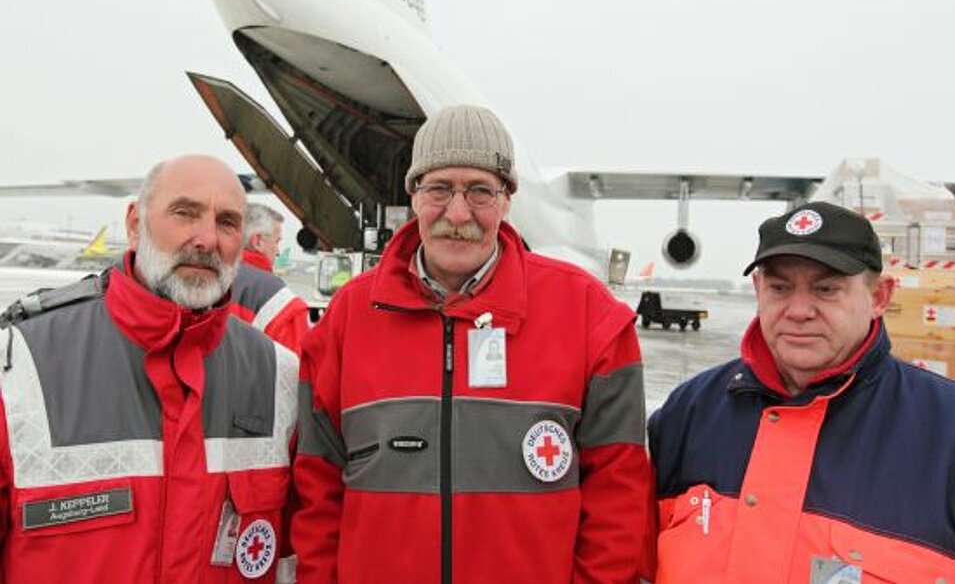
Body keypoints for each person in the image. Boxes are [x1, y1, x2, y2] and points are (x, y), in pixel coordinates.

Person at [292, 104, 657, 583]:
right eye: (439, 189)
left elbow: (619, 496)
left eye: (480, 191)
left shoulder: (589, 314)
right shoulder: (348, 317)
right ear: (414, 197)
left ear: (507, 201)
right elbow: (317, 490)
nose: (458, 213)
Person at [0, 155, 298, 583]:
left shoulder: (280, 378)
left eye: (228, 222)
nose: (207, 239)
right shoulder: (19, 366)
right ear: (135, 223)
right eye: (184, 213)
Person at [648, 201, 955, 582]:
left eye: (826, 289)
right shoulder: (689, 413)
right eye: (780, 287)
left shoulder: (948, 433)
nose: (798, 310)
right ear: (759, 289)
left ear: (879, 297)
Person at [230, 202, 309, 352]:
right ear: (257, 241)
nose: (278, 251)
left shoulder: (200, 283)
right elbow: (297, 367)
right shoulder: (280, 300)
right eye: (277, 241)